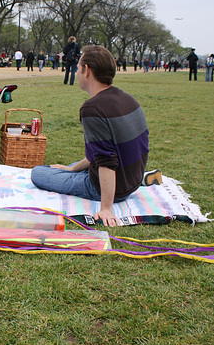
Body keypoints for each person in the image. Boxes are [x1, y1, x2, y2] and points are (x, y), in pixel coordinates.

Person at [31, 45, 157, 227]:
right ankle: (137, 179)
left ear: (87, 71)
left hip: (111, 188)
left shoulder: (93, 108)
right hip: (133, 179)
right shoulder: (127, 98)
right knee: (67, 167)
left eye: (78, 68)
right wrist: (72, 169)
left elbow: (106, 160)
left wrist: (106, 207)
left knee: (38, 173)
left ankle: (104, 190)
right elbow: (101, 152)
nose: (76, 72)